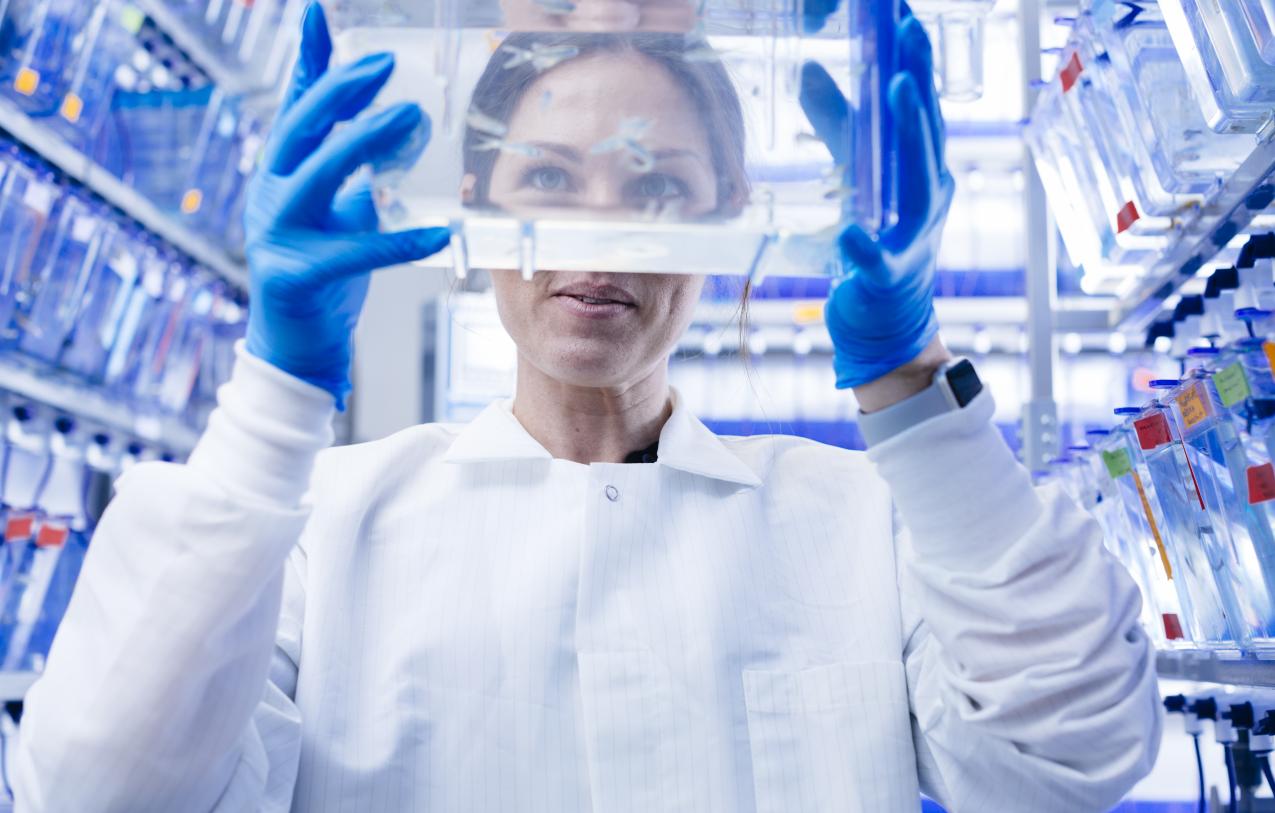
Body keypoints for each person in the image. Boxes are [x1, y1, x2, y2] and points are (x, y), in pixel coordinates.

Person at [13, 2, 1159, 811]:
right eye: (549, 180)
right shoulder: (324, 533)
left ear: (729, 216)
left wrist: (911, 377)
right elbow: (98, 795)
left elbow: (1073, 752)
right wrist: (275, 392)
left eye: (657, 186)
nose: (603, 235)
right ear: (473, 202)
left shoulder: (857, 521)